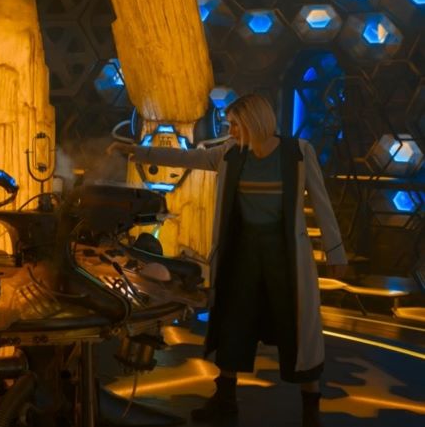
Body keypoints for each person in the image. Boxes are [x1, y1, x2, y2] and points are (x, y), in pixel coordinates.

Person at [107, 94, 348, 427]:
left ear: (254, 122)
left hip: (284, 260)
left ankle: (311, 411)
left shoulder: (297, 153)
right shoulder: (231, 154)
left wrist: (336, 251)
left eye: (235, 124)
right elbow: (186, 157)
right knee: (234, 323)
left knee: (297, 330)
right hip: (242, 255)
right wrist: (137, 152)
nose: (230, 130)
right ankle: (225, 401)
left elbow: (321, 202)